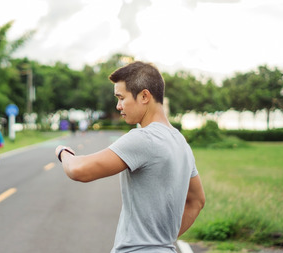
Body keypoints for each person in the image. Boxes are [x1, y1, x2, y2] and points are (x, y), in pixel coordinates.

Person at [55, 61, 205, 253]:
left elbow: (78, 170)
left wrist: (63, 152)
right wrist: (160, 241)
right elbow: (197, 201)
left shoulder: (143, 138)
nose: (118, 106)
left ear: (144, 96)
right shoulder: (181, 143)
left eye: (121, 98)